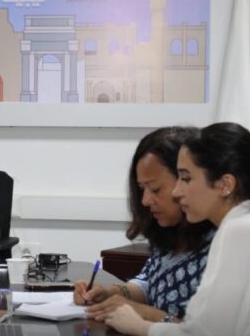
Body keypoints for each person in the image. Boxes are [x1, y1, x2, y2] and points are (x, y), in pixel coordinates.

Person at [106, 122, 250, 336]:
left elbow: (203, 334)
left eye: (186, 178)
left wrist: (138, 325)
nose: (177, 191)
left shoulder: (243, 229)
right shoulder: (249, 223)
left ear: (225, 184)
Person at [75, 127, 214, 322]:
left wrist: (140, 312)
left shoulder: (221, 245)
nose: (145, 200)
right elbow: (149, 283)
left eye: (155, 189)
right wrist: (110, 294)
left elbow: (206, 331)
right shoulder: (168, 232)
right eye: (142, 189)